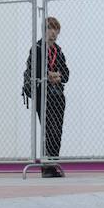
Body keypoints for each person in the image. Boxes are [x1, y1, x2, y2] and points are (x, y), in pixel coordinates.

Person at [22, 16, 69, 178]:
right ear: (44, 30)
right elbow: (37, 72)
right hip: (43, 95)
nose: (53, 32)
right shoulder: (37, 48)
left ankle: (53, 163)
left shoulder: (58, 50)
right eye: (50, 28)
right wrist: (50, 75)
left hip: (57, 95)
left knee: (57, 130)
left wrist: (56, 75)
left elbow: (67, 74)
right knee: (47, 129)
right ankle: (46, 166)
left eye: (56, 29)